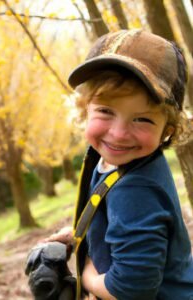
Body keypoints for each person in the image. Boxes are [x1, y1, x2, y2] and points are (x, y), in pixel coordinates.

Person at [45, 29, 193, 300]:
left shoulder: (136, 188)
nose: (119, 133)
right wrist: (78, 236)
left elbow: (129, 289)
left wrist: (86, 271)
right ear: (84, 108)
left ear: (168, 130)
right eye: (105, 111)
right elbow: (119, 224)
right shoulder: (120, 163)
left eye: (143, 119)